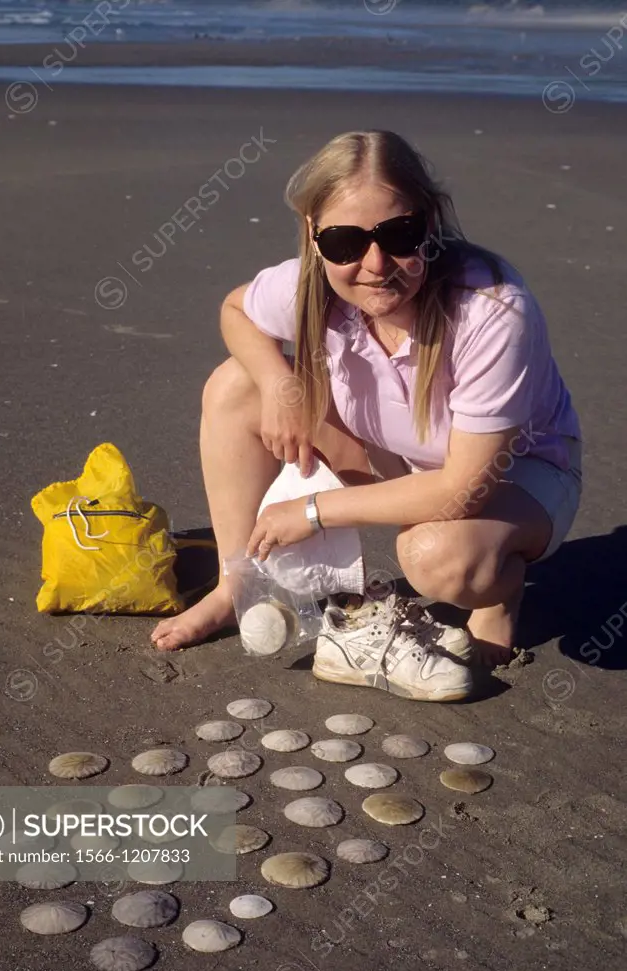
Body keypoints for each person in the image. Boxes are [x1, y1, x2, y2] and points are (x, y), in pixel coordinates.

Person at [151, 129, 581, 698]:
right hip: (396, 451)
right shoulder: (313, 282)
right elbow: (237, 310)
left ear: (430, 223)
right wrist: (280, 385)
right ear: (315, 235)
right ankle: (239, 586)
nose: (375, 264)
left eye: (399, 235)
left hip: (514, 476)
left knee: (438, 559)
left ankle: (501, 589)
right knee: (236, 384)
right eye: (346, 241)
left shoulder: (492, 311)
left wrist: (310, 511)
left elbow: (461, 491)